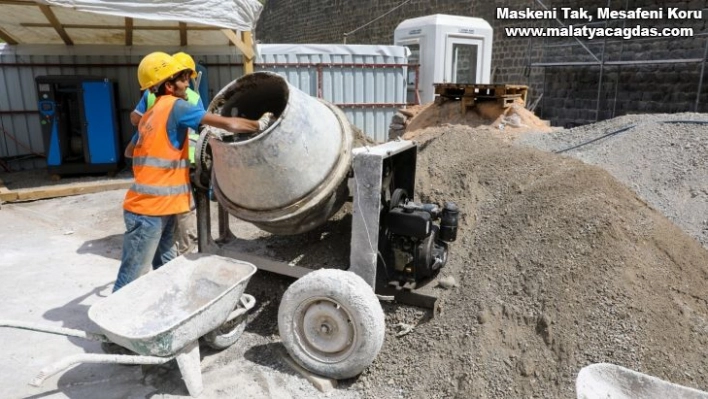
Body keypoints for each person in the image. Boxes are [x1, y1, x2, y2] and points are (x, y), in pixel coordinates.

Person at [114, 51, 273, 293]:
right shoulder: (177, 107)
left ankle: (167, 317)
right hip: (148, 212)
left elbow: (130, 151)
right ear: (168, 85)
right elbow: (227, 123)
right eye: (183, 79)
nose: (188, 83)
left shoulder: (150, 114)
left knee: (167, 268)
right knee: (130, 280)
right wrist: (259, 124)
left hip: (160, 208)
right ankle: (110, 329)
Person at [130, 52, 203, 256]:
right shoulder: (189, 97)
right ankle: (186, 255)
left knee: (166, 214)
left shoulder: (153, 93)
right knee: (183, 212)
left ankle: (167, 253)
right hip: (181, 164)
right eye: (186, 77)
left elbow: (135, 120)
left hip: (161, 165)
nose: (187, 82)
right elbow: (203, 127)